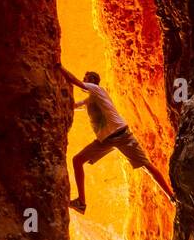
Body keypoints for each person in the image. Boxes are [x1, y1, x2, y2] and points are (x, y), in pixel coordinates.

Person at [61, 66, 175, 213]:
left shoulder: (97, 90)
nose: (84, 79)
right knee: (77, 160)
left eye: (86, 77)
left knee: (146, 165)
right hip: (105, 141)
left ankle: (171, 196)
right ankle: (81, 202)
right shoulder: (91, 100)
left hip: (123, 136)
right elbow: (74, 106)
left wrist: (58, 66)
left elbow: (75, 81)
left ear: (93, 81)